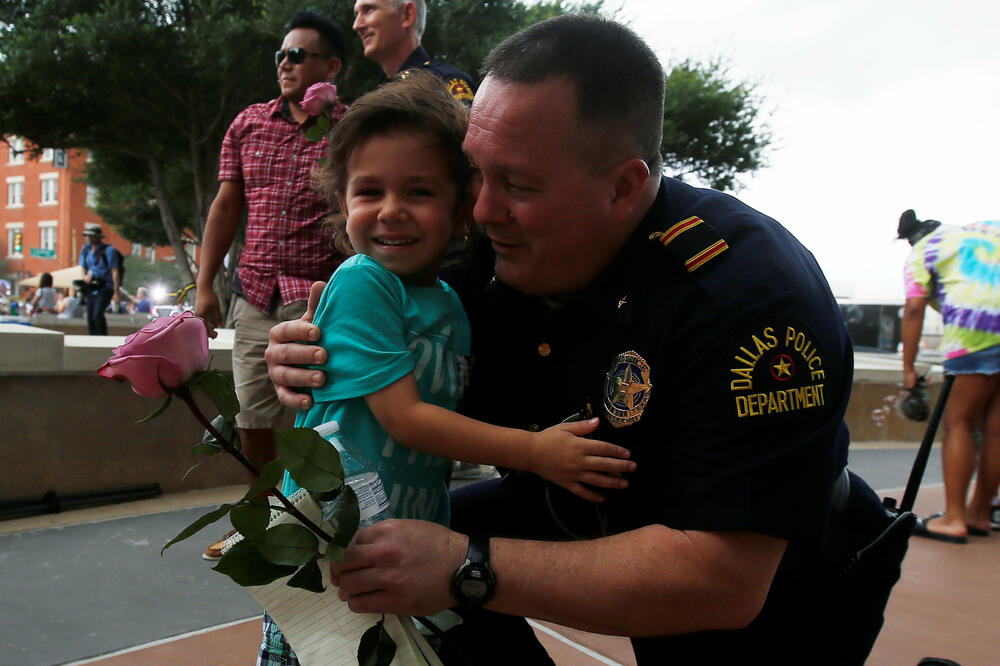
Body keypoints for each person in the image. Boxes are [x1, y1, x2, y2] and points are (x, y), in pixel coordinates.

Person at [266, 15, 907, 664]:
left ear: (624, 187)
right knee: (402, 549)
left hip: (778, 588)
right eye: (474, 176)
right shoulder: (486, 254)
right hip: (582, 505)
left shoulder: (745, 295)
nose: (484, 212)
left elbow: (723, 580)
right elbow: (395, 359)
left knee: (450, 555)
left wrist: (466, 566)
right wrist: (319, 355)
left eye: (517, 184)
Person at [263, 69, 634, 666]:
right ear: (341, 202)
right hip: (331, 534)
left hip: (402, 533)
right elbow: (407, 419)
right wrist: (536, 451)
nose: (391, 212)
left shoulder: (446, 302)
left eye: (419, 192)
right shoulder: (364, 281)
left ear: (463, 209)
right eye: (368, 192)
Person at [193, 9, 350, 563]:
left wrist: (332, 122)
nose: (284, 63)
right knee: (252, 416)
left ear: (330, 66)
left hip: (321, 294)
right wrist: (205, 283)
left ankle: (327, 521)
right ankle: (263, 521)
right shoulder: (247, 123)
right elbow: (227, 205)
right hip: (255, 293)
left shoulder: (351, 130)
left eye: (297, 55)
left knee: (320, 416)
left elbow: (360, 209)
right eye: (280, 55)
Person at [898, 209, 1000, 543]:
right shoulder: (982, 230)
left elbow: (914, 308)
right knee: (996, 433)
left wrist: (909, 369)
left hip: (976, 330)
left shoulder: (923, 251)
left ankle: (953, 518)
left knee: (959, 425)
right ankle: (980, 514)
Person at [353, 0, 475, 104]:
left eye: (369, 10)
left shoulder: (444, 83)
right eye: (357, 14)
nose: (356, 25)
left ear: (407, 15)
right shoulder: (375, 92)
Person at [78, 227, 120, 335]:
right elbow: (82, 267)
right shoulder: (85, 249)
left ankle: (102, 337)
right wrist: (85, 277)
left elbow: (115, 271)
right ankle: (92, 338)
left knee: (97, 314)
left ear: (98, 237)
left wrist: (116, 292)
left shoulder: (108, 250)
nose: (89, 238)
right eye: (88, 236)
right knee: (90, 315)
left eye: (92, 236)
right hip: (92, 287)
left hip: (105, 286)